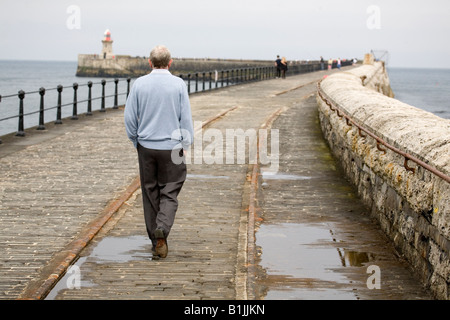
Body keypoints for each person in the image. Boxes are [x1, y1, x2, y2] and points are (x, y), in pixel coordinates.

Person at [124, 45, 194, 259]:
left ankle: (156, 240)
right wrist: (186, 142)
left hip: (146, 146)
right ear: (170, 62)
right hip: (172, 146)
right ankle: (162, 228)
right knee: (170, 189)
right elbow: (185, 117)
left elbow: (129, 117)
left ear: (149, 62)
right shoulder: (178, 84)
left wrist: (136, 139)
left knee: (150, 191)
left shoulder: (139, 84)